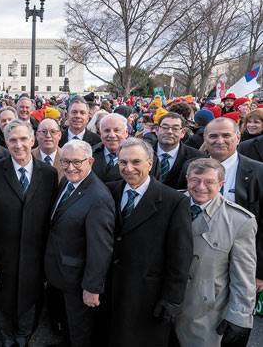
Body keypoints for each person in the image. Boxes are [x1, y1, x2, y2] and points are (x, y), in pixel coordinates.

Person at [103, 138, 192, 347]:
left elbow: (180, 254)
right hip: (110, 289)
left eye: (136, 162)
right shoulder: (109, 191)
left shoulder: (173, 201)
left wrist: (172, 298)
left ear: (150, 164)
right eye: (123, 162)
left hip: (147, 294)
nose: (128, 168)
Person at [0, 119, 58, 347]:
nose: (18, 145)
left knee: (30, 296)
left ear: (33, 140)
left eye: (24, 139)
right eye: (13, 140)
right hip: (3, 254)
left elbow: (51, 220)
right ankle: (7, 335)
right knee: (4, 296)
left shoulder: (49, 174)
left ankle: (24, 333)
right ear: (5, 142)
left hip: (35, 254)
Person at [172, 158, 257, 347]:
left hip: (205, 313)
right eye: (195, 180)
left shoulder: (239, 221)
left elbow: (243, 276)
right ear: (187, 179)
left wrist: (239, 317)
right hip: (165, 306)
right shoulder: (169, 204)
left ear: (221, 185)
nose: (201, 187)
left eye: (209, 182)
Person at [178, 117, 263, 297]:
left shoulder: (258, 172)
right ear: (205, 139)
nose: (219, 141)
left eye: (226, 136)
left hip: (240, 260)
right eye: (213, 136)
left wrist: (260, 272)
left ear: (238, 138)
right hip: (195, 261)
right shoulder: (190, 166)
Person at [44, 140, 115, 347]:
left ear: (90, 161)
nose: (69, 167)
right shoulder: (67, 182)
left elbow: (101, 249)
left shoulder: (99, 197)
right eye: (65, 161)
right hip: (62, 273)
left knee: (80, 330)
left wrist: (92, 287)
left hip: (79, 280)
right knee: (67, 323)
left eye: (76, 162)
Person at [154, 113, 206, 189]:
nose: (169, 132)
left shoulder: (197, 158)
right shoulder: (143, 151)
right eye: (165, 127)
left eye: (175, 128)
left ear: (183, 132)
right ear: (157, 130)